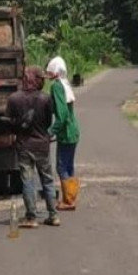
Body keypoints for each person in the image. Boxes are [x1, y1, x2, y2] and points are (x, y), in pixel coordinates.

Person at [5, 67, 59, 228]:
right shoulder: (46, 98)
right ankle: (53, 216)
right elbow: (48, 122)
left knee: (28, 181)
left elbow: (9, 123)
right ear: (37, 81)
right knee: (47, 180)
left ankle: (31, 217)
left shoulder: (14, 99)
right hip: (42, 145)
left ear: (25, 79)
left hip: (24, 146)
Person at [45, 56, 80, 211]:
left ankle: (68, 201)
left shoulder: (56, 87)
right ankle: (70, 198)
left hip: (66, 133)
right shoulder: (65, 83)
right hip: (73, 130)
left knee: (61, 166)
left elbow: (62, 114)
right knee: (69, 165)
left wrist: (50, 132)